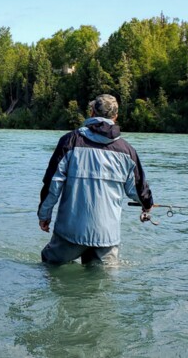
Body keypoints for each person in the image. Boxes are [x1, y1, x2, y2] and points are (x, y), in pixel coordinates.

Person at [38, 94, 154, 266]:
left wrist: (44, 215)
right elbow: (138, 190)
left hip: (70, 233)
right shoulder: (127, 151)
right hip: (107, 237)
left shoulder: (70, 141)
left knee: (49, 267)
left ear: (91, 112)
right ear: (115, 116)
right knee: (101, 290)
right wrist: (147, 205)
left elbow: (53, 184)